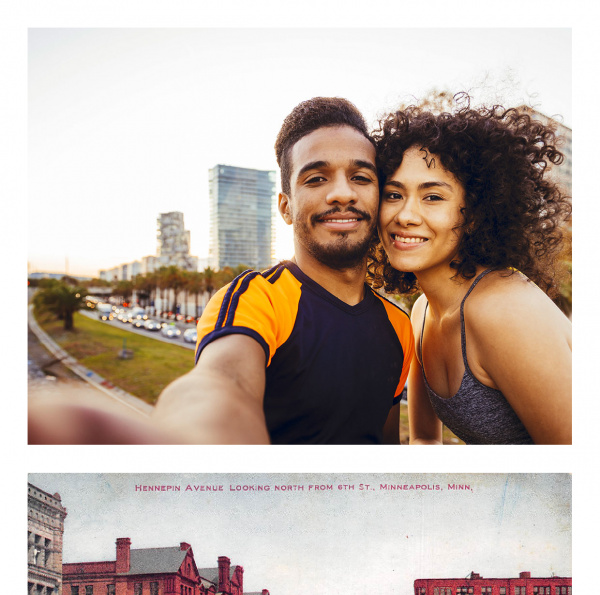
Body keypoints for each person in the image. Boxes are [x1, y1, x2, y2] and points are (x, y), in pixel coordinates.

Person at [29, 97, 414, 445]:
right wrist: (190, 442)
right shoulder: (255, 299)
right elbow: (221, 383)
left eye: (361, 177)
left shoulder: (400, 325)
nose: (342, 193)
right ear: (285, 207)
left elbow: (382, 441)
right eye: (316, 178)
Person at [368, 100, 572, 445]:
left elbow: (577, 470)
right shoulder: (422, 313)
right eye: (393, 194)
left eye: (432, 197)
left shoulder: (505, 309)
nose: (405, 215)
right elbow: (425, 443)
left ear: (474, 214)